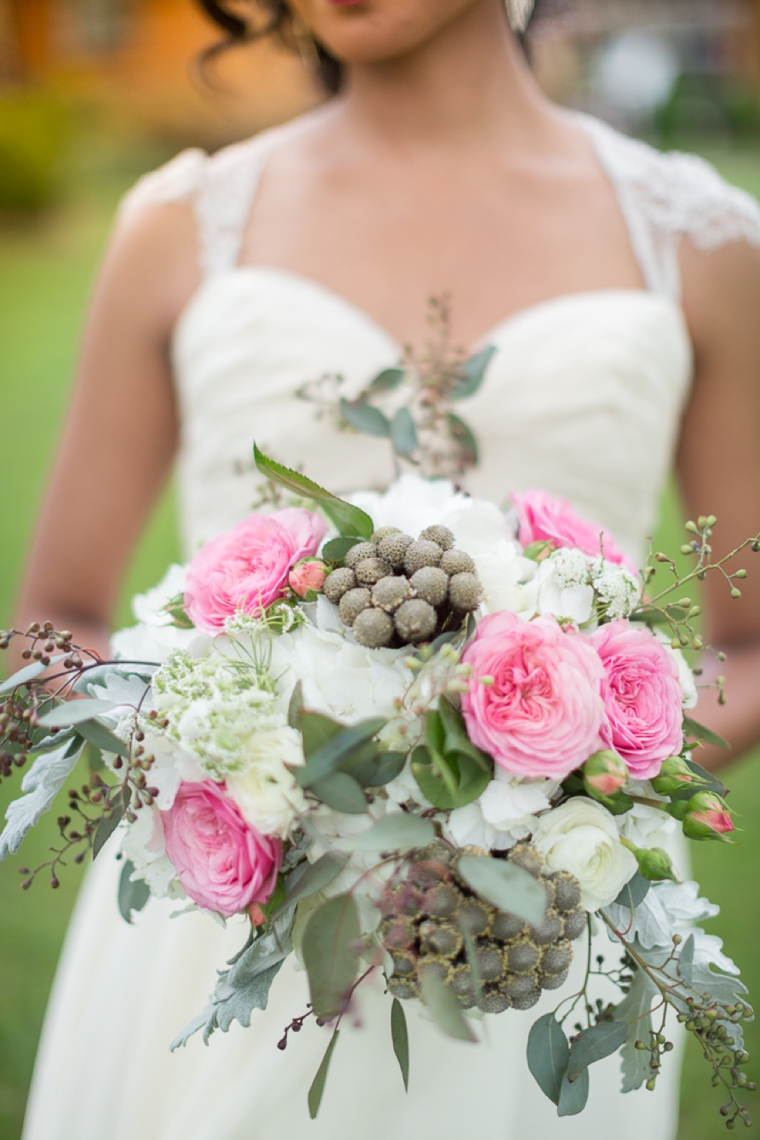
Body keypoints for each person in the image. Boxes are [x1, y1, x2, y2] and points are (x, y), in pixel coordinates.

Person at [15, 1, 760, 1137]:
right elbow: (53, 619)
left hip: (545, 934)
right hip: (225, 930)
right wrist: (222, 762)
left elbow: (749, 643)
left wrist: (576, 777)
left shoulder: (697, 239)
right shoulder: (180, 223)